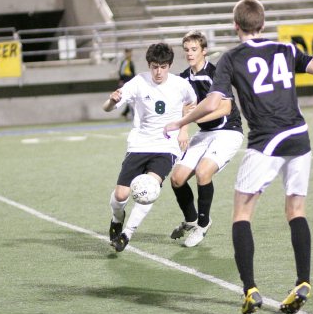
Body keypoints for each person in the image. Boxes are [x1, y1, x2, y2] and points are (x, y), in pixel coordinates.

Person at [164, 0, 313, 314]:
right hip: (298, 137)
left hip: (265, 142)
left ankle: (250, 290)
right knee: (296, 210)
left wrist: (181, 121)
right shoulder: (286, 49)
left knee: (242, 214)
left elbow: (213, 100)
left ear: (235, 26)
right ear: (263, 24)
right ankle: (303, 281)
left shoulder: (231, 58)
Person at [104, 42, 197, 252]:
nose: (158, 71)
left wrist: (183, 130)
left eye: (163, 67)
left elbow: (191, 104)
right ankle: (116, 218)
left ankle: (127, 234)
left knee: (150, 188)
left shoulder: (180, 84)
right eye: (155, 66)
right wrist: (111, 101)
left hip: (166, 147)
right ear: (149, 65)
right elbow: (108, 108)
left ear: (169, 66)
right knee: (120, 195)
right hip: (139, 144)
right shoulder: (138, 82)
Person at [169, 29, 243, 247]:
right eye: (187, 50)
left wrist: (190, 121)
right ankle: (191, 219)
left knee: (203, 172)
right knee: (177, 179)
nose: (190, 54)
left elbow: (225, 108)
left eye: (194, 49)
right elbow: (181, 110)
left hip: (228, 130)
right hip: (204, 133)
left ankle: (202, 224)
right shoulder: (183, 79)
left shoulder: (216, 73)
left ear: (204, 51)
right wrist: (182, 129)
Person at [117, 48, 136, 120]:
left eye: (130, 52)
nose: (129, 54)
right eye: (128, 52)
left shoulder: (131, 62)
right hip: (126, 81)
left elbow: (133, 73)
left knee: (131, 98)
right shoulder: (124, 62)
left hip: (130, 82)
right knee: (129, 98)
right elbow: (121, 72)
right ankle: (126, 113)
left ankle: (125, 113)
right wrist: (121, 80)